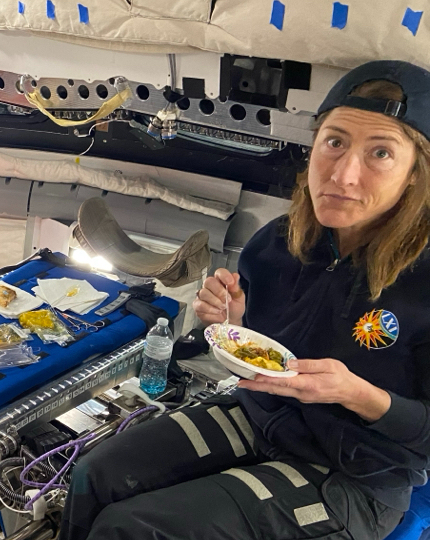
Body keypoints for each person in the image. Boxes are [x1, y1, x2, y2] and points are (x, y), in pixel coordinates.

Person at [60, 60, 430, 540]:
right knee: (93, 474)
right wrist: (233, 320)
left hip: (355, 475)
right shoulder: (278, 242)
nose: (343, 175)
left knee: (131, 529)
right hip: (260, 416)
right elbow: (266, 351)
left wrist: (355, 394)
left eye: (380, 153)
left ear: (415, 174)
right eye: (335, 142)